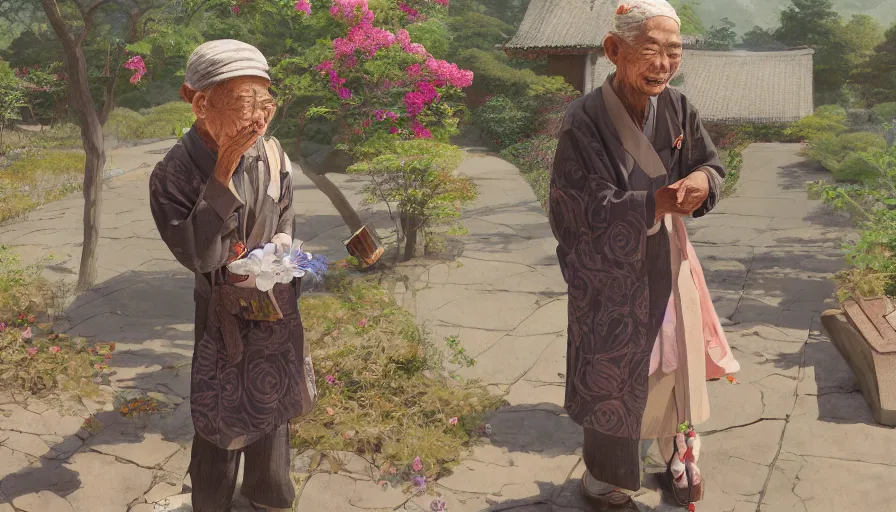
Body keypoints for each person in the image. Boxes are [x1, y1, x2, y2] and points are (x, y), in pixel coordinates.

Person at [548, 1, 739, 509]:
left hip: (670, 261)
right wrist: (649, 203)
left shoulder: (678, 107)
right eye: (649, 50)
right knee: (613, 370)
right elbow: (572, 210)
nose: (662, 64)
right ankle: (605, 478)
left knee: (675, 364)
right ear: (615, 51)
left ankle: (680, 457)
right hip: (608, 278)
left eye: (672, 52)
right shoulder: (583, 120)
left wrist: (702, 180)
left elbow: (711, 164)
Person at [149, 39, 316, 512]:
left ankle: (267, 495)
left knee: (274, 407)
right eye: (245, 103)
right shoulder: (174, 174)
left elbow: (284, 211)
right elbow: (199, 257)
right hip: (221, 311)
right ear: (200, 103)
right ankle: (212, 501)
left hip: (273, 306)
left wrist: (283, 246)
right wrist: (221, 173)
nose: (259, 118)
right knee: (221, 414)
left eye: (266, 103)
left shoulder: (271, 153)